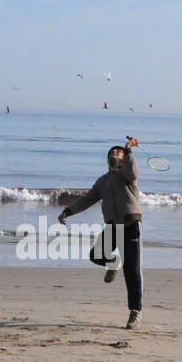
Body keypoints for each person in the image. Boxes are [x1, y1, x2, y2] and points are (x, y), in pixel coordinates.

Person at [58, 137, 144, 329]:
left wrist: (129, 150)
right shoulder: (103, 180)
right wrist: (68, 211)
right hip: (113, 225)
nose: (115, 153)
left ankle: (135, 312)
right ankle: (114, 263)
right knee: (96, 254)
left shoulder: (127, 174)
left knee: (132, 270)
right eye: (112, 152)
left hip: (131, 223)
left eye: (119, 152)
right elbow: (88, 199)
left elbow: (133, 172)